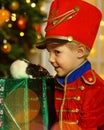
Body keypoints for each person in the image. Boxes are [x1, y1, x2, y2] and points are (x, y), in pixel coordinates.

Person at [36, 0, 104, 129]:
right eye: (49, 52)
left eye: (57, 52)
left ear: (79, 52)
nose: (50, 59)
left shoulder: (96, 90)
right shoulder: (53, 84)